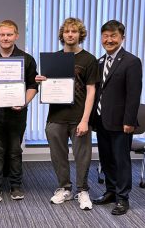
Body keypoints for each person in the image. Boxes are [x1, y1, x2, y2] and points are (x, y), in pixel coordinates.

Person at [35, 18, 98, 210]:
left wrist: (86, 119)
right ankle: (64, 188)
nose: (70, 34)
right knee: (58, 155)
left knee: (82, 155)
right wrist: (41, 81)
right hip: (56, 117)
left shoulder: (89, 59)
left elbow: (91, 91)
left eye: (74, 31)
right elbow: (49, 86)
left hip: (79, 116)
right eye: (67, 31)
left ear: (80, 35)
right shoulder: (54, 58)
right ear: (62, 35)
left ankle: (83, 190)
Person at [0, 20, 38, 202]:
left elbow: (33, 85)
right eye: (2, 34)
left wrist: (24, 102)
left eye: (9, 34)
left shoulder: (26, 59)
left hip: (17, 112)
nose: (5, 38)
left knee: (14, 150)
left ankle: (16, 186)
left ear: (16, 36)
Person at [91, 20, 142, 215]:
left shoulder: (131, 61)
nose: (109, 40)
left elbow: (133, 95)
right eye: (105, 36)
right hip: (102, 120)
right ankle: (110, 192)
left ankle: (123, 198)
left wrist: (129, 121)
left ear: (122, 38)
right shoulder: (100, 62)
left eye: (113, 36)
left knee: (121, 161)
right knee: (107, 159)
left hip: (121, 123)